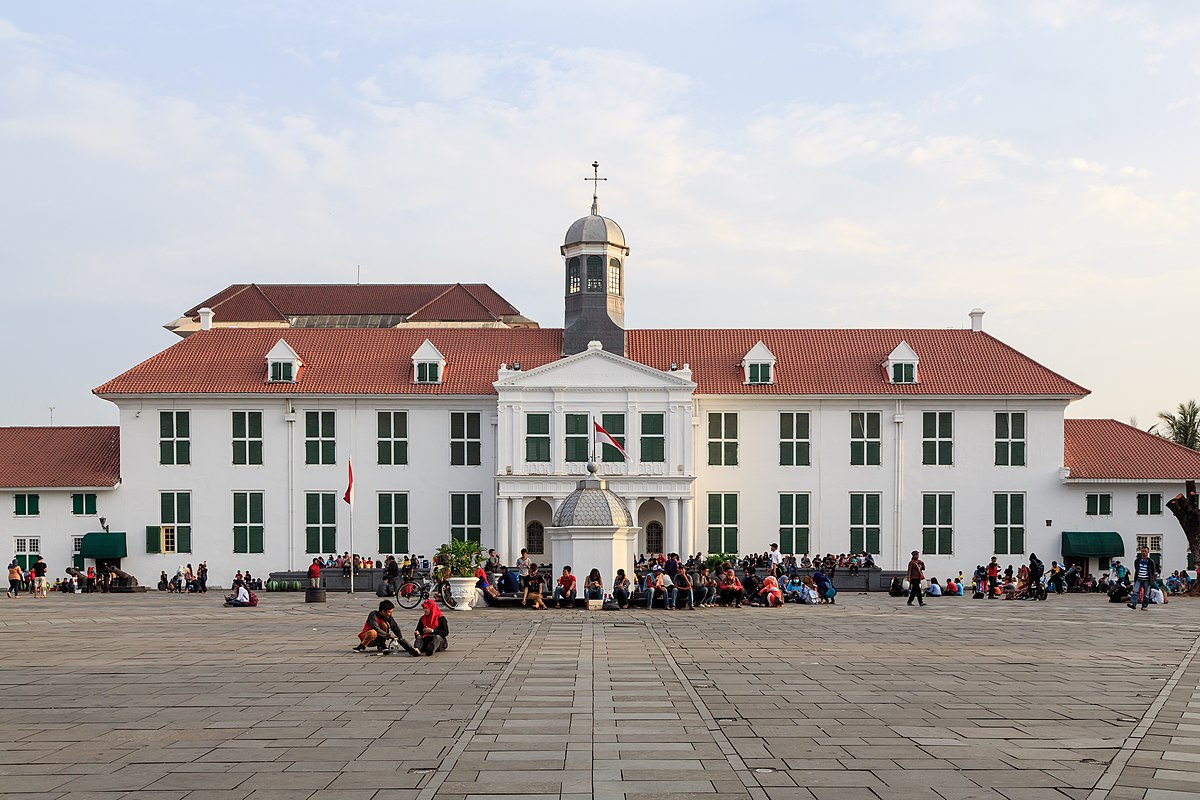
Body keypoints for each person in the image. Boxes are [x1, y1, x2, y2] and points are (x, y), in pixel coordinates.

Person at [354, 600, 420, 655]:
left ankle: (381, 644)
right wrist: (389, 635)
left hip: (378, 638)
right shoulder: (373, 615)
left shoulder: (388, 617)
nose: (391, 614)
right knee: (373, 632)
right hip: (368, 638)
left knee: (384, 624)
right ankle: (361, 646)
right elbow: (376, 628)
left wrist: (408, 647)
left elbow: (395, 628)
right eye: (389, 612)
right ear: (383, 611)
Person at [1129, 546, 1159, 611]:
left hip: (1147, 580)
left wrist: (1152, 579)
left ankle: (1144, 606)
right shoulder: (1137, 561)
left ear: (1148, 552)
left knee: (1146, 594)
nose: (1144, 553)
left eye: (1145, 551)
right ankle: (1133, 604)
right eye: (1143, 551)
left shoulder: (1151, 561)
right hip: (1139, 579)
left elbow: (1153, 571)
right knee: (1135, 591)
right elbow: (1136, 568)